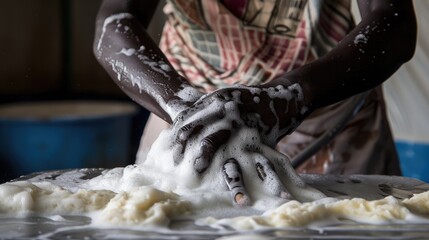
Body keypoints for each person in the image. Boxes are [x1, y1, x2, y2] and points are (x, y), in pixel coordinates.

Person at [93, 0, 416, 204]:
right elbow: (115, 19)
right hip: (183, 109)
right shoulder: (187, 110)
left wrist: (289, 96)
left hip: (325, 101)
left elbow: (393, 19)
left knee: (352, 220)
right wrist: (185, 107)